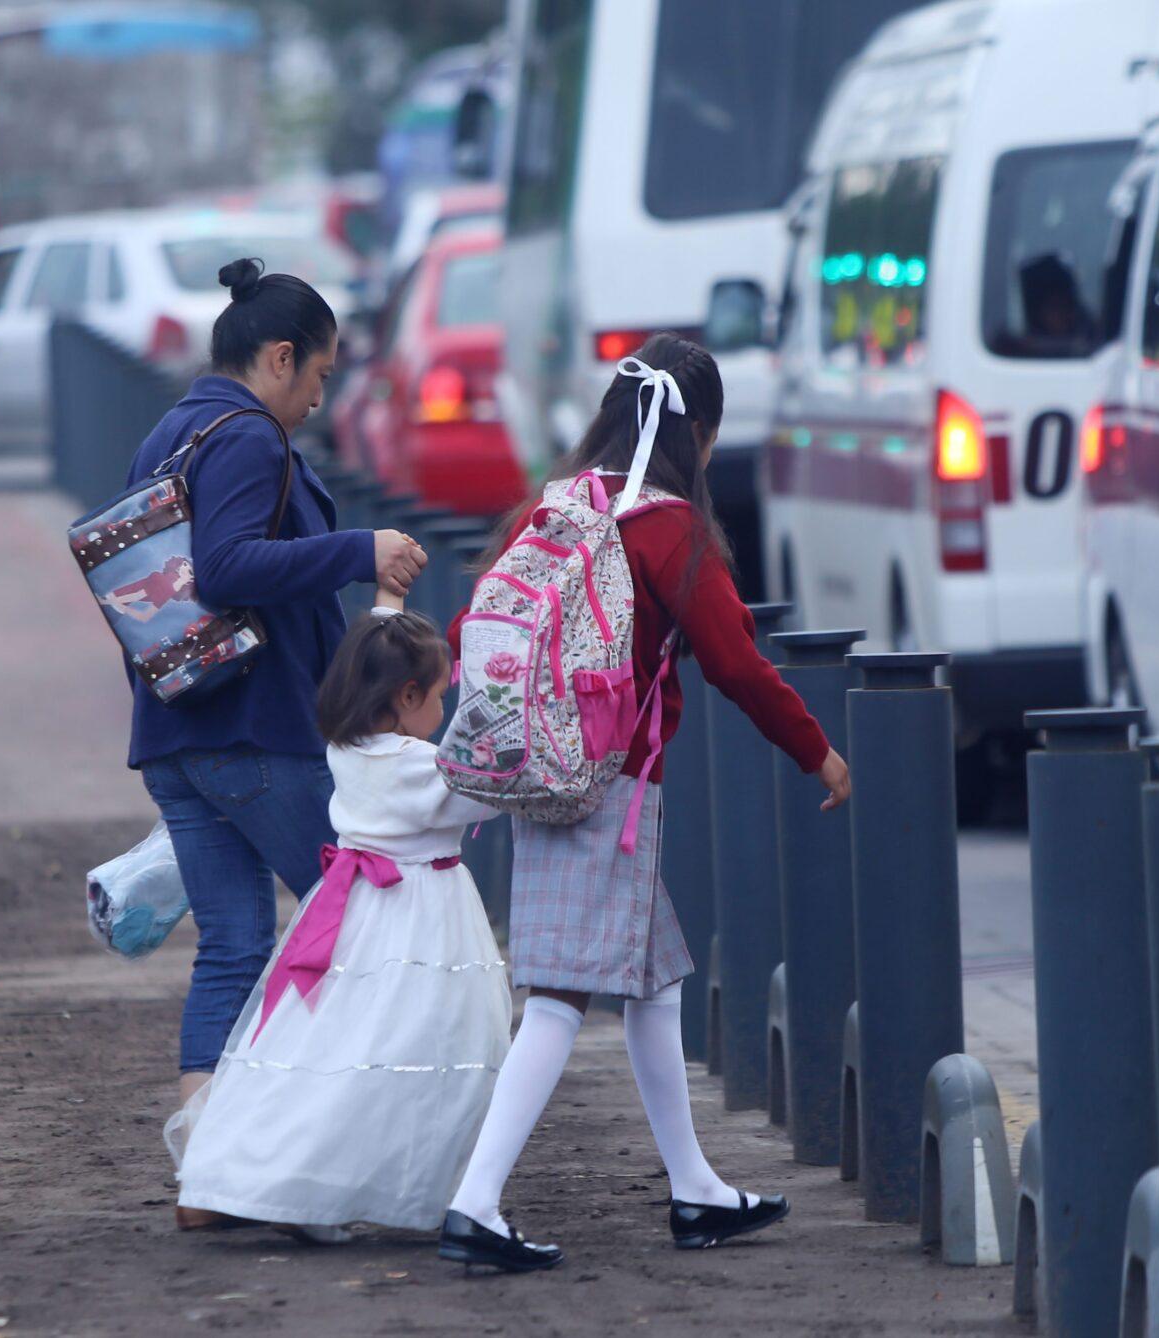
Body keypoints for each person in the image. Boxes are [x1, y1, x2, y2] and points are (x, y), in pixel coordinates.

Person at [436, 334, 853, 1273]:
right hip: (610, 784)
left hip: (547, 770)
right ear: (697, 432)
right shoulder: (665, 527)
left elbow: (474, 628)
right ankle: (475, 1201)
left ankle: (697, 1189)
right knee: (558, 995)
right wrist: (817, 754)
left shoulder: (554, 506)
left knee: (654, 982)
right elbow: (737, 660)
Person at [123, 258, 430, 1227]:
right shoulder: (251, 436)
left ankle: (207, 1175)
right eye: (321, 376)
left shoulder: (172, 429)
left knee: (235, 947)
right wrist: (360, 550)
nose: (319, 396)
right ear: (281, 358)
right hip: (254, 731)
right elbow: (224, 566)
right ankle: (311, 1158)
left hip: (176, 731)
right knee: (356, 929)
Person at [166, 591, 511, 1239]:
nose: (443, 709)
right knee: (398, 1051)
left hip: (348, 913)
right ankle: (327, 1185)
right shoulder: (419, 766)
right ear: (406, 698)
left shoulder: (346, 751)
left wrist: (388, 606)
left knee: (317, 1047)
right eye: (438, 695)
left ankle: (239, 1176)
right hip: (416, 915)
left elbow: (375, 652)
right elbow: (486, 796)